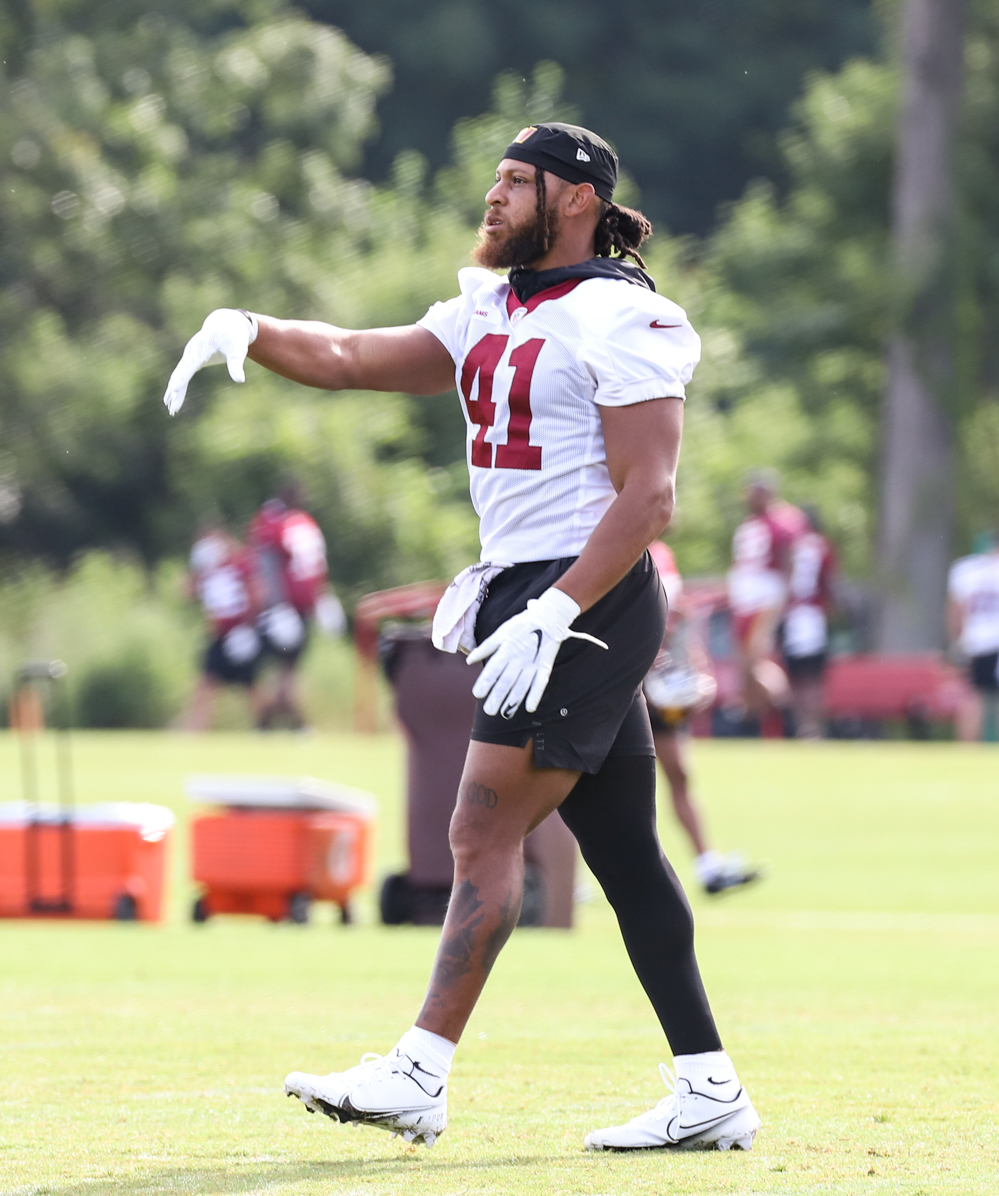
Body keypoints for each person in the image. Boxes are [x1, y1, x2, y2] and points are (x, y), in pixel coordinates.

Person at [162, 121, 760, 1153]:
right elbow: (354, 357)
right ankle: (710, 1087)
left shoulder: (625, 317)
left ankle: (419, 1068)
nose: (492, 198)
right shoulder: (490, 301)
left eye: (516, 181)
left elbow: (650, 496)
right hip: (526, 592)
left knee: (480, 834)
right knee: (623, 850)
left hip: (586, 595)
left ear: (576, 199)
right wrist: (250, 329)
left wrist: (561, 605)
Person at [645, 540, 761, 893]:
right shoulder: (607, 540)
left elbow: (679, 615)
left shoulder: (662, 551)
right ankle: (566, 878)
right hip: (624, 675)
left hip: (658, 676)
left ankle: (708, 867)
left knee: (678, 773)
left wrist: (697, 669)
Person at [250, 483, 340, 729]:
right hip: (283, 610)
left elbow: (316, 566)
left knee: (288, 669)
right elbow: (268, 567)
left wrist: (323, 598)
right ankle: (293, 722)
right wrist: (277, 605)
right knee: (283, 669)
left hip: (302, 609)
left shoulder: (305, 522)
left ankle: (268, 723)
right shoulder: (273, 522)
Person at [726, 469, 795, 726]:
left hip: (765, 598)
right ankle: (752, 715)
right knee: (743, 662)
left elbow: (788, 561)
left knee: (754, 660)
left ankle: (783, 710)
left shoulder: (782, 521)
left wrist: (784, 597)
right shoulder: (749, 525)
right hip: (744, 598)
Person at [180, 524, 263, 731]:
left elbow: (257, 594)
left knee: (250, 687)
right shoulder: (207, 570)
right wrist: (196, 572)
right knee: (206, 685)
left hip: (241, 634)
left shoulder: (240, 562)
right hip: (219, 636)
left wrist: (248, 628)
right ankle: (195, 732)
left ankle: (266, 727)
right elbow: (186, 593)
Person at [781, 506, 836, 740]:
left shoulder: (794, 548)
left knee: (798, 677)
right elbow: (829, 583)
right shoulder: (823, 547)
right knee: (813, 677)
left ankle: (804, 727)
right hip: (813, 615)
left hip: (794, 614)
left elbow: (786, 580)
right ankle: (812, 728)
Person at [947, 534, 999, 742]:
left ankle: (967, 752)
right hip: (995, 640)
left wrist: (957, 641)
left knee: (973, 697)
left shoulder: (966, 569)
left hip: (975, 642)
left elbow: (956, 611)